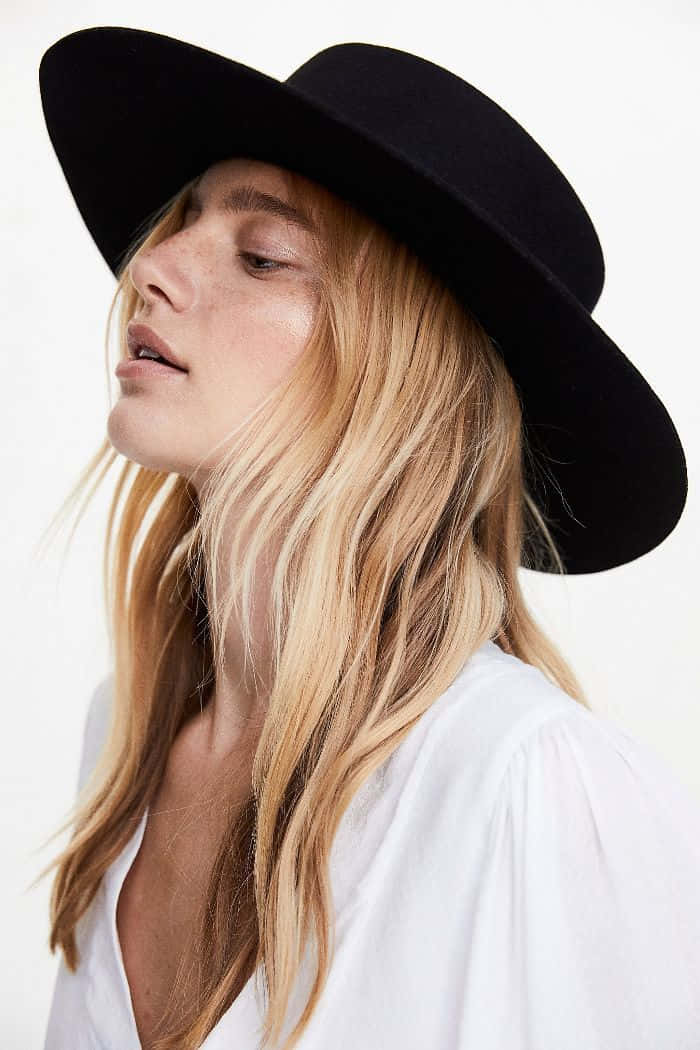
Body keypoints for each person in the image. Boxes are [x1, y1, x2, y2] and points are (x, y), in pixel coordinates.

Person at [35, 27, 700, 1050]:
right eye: (183, 220)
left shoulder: (531, 789)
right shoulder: (122, 738)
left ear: (403, 383)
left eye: (262, 255)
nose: (151, 264)